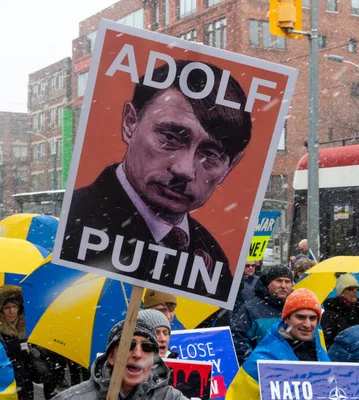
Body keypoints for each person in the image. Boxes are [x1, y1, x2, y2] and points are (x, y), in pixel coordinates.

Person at [60, 61, 253, 302]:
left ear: (231, 166)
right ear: (130, 122)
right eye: (170, 137)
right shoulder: (73, 223)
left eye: (211, 154)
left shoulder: (213, 260)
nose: (184, 170)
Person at [226, 288, 330, 400]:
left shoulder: (321, 353)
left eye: (313, 318)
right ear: (287, 319)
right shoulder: (260, 361)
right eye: (300, 317)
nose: (307, 324)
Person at [52, 317, 188, 400]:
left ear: (153, 360)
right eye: (128, 344)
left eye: (147, 347)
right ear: (111, 356)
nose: (138, 354)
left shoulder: (171, 397)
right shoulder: (72, 398)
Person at [231, 265, 293, 364]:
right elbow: (238, 340)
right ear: (268, 283)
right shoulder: (251, 309)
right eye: (279, 281)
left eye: (287, 281)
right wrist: (255, 364)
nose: (283, 286)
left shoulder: (297, 308)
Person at [0, 285, 34, 399]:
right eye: (7, 307)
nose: (11, 311)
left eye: (14, 307)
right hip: (5, 382)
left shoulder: (28, 327)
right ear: (1, 310)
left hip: (25, 382)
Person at [320, 273, 359, 349]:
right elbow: (327, 342)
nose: (355, 291)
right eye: (351, 288)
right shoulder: (330, 314)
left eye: (357, 288)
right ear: (341, 292)